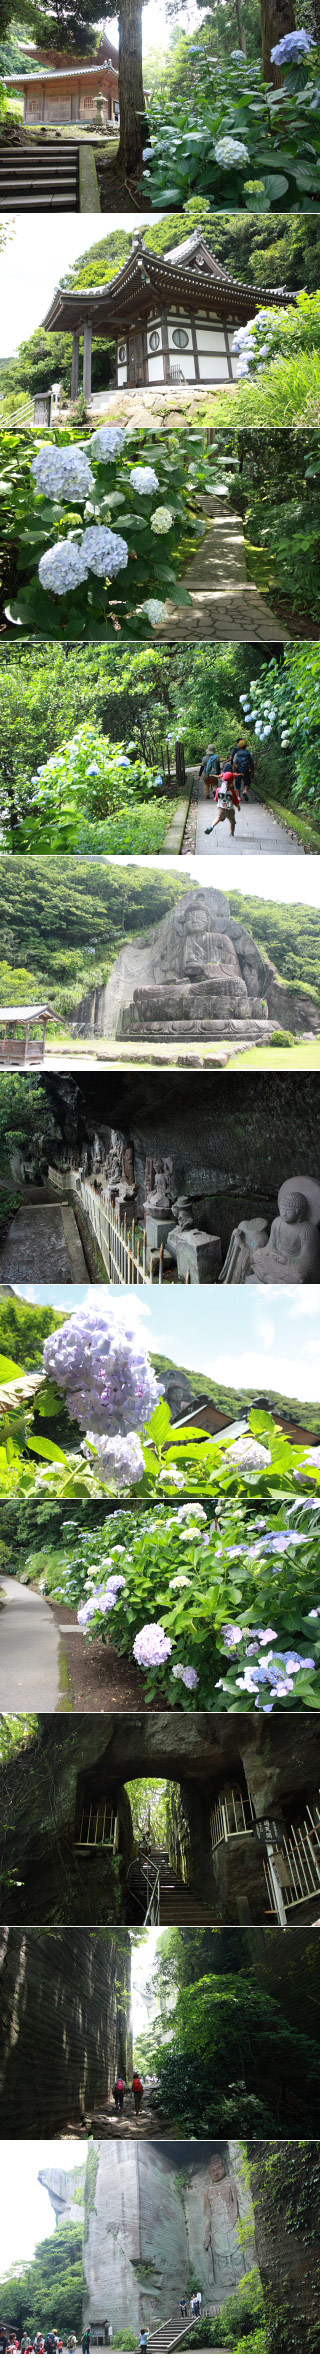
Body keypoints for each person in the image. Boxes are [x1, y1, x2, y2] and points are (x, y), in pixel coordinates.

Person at [204, 769, 241, 838]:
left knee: (218, 818)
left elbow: (216, 799)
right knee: (232, 821)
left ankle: (211, 826)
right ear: (232, 782)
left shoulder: (218, 790)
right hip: (229, 809)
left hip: (221, 808)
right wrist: (238, 806)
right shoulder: (232, 792)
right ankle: (232, 833)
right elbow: (235, 801)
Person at [231, 737, 254, 801]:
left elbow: (234, 764)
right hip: (246, 770)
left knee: (237, 783)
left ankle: (238, 797)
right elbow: (252, 764)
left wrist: (234, 771)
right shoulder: (249, 753)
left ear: (239, 746)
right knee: (247, 782)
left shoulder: (236, 754)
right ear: (246, 746)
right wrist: (252, 772)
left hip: (239, 770)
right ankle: (245, 791)